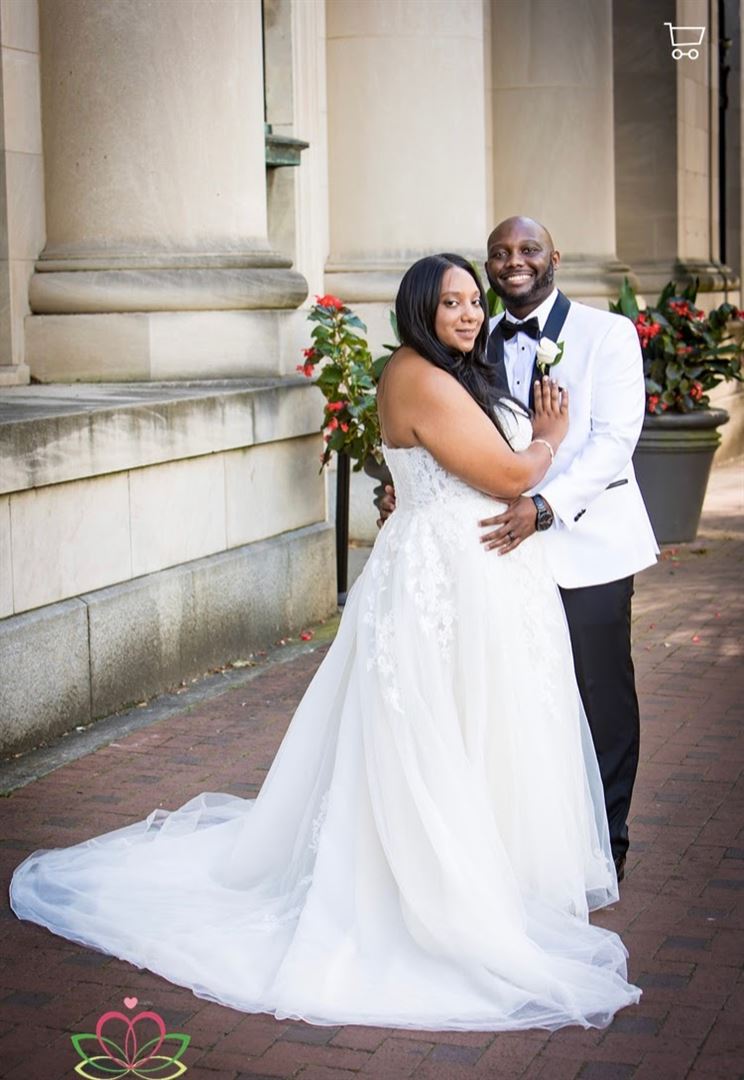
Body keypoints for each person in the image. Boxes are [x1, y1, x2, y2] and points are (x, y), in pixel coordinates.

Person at [10, 254, 641, 1032]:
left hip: (481, 582)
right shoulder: (416, 374)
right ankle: (432, 889)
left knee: (479, 729)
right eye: (450, 302)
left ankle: (496, 873)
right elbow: (509, 476)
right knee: (429, 737)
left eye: (473, 301)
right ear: (418, 309)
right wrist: (547, 439)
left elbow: (447, 469)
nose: (469, 313)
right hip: (441, 585)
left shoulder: (456, 374)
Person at [378, 220, 658, 882]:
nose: (514, 262)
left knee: (598, 696)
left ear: (553, 257)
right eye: (500, 254)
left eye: (528, 250)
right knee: (521, 703)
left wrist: (544, 506)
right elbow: (451, 439)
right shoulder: (470, 342)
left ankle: (605, 845)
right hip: (496, 559)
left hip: (584, 543)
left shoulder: (607, 333)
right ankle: (533, 846)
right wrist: (410, 487)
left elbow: (615, 440)